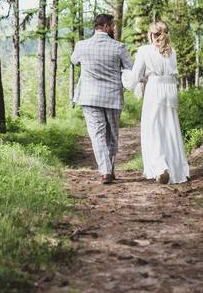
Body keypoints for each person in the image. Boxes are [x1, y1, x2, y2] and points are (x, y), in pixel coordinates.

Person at [122, 20, 190, 184]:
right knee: (170, 129)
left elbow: (135, 77)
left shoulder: (144, 50)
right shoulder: (171, 51)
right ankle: (177, 169)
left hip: (154, 90)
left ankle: (160, 168)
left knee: (152, 130)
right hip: (170, 90)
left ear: (151, 34)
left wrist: (124, 74)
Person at [71, 13, 133, 184]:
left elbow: (74, 61)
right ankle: (108, 169)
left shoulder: (81, 45)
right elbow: (130, 68)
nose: (114, 28)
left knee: (97, 135)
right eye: (112, 26)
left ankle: (105, 170)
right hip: (112, 97)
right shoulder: (119, 47)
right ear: (105, 26)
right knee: (112, 135)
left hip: (89, 97)